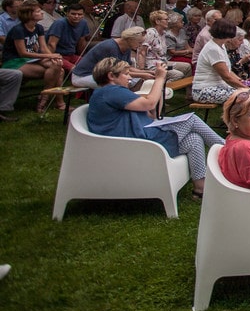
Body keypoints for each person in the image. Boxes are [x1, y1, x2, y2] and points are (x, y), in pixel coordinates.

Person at [86, 57, 223, 197]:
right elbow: (150, 104)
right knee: (192, 120)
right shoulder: (112, 91)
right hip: (137, 143)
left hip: (139, 140)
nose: (129, 77)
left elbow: (153, 114)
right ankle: (227, 148)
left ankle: (200, 188)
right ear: (111, 76)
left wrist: (160, 84)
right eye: (126, 74)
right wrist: (160, 78)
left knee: (194, 139)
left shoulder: (110, 93)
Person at [1, 0, 66, 111]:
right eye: (38, 11)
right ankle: (51, 101)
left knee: (57, 66)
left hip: (31, 59)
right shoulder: (18, 30)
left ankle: (45, 99)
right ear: (29, 14)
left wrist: (53, 57)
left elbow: (43, 48)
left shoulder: (38, 28)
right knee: (58, 71)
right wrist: (50, 57)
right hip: (15, 61)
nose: (41, 13)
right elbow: (23, 53)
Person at [71, 27, 154, 89]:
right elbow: (116, 72)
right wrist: (142, 74)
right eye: (139, 43)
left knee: (137, 81)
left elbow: (127, 67)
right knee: (118, 81)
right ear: (130, 39)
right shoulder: (110, 47)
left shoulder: (127, 47)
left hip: (105, 74)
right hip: (84, 76)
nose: (140, 46)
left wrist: (146, 72)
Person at [191, 18, 250, 104]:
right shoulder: (213, 49)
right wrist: (246, 89)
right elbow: (226, 77)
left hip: (218, 86)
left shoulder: (220, 46)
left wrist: (240, 82)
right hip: (203, 90)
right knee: (246, 96)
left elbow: (228, 72)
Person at [137, 10, 191, 81]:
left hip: (163, 62)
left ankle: (188, 90)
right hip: (152, 65)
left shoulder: (164, 33)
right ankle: (163, 90)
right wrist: (141, 70)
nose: (168, 21)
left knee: (187, 66)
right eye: (166, 19)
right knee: (178, 75)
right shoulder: (151, 33)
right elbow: (142, 52)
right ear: (157, 21)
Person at [45, 3, 91, 71]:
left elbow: (81, 42)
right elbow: (51, 44)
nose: (76, 16)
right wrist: (51, 58)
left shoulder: (83, 23)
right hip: (58, 55)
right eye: (73, 14)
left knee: (90, 65)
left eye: (79, 14)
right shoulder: (59, 23)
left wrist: (82, 56)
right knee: (74, 69)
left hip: (71, 54)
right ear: (67, 14)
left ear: (83, 15)